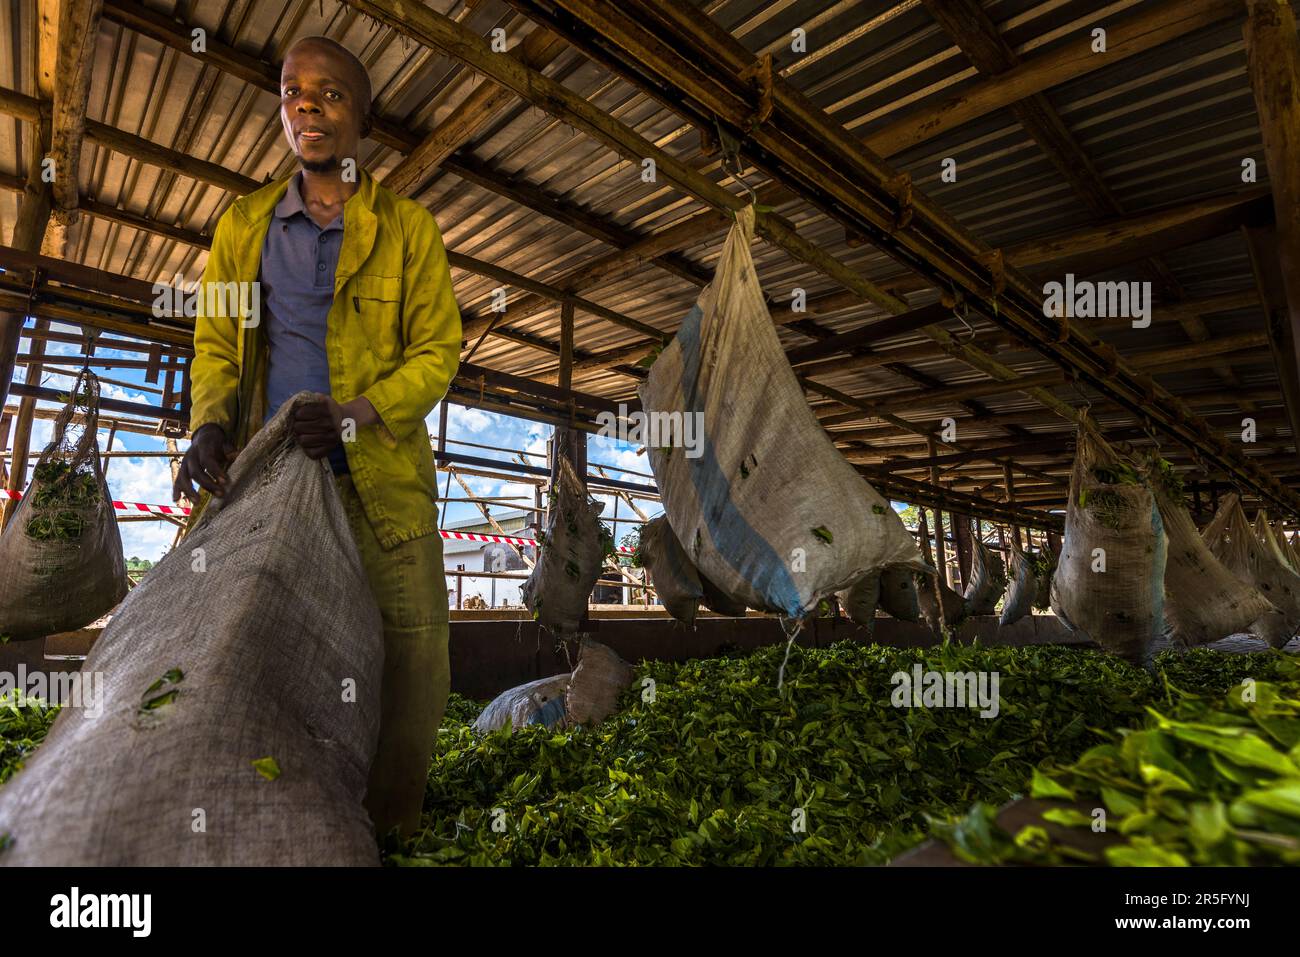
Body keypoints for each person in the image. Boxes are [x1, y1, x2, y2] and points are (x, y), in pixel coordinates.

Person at [172, 35, 461, 840]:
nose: (307, 104)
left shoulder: (407, 229)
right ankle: (266, 819)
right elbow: (219, 344)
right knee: (240, 646)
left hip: (381, 484)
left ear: (361, 118)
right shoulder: (244, 225)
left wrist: (354, 412)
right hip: (268, 485)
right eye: (293, 90)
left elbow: (439, 352)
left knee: (415, 657)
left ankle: (389, 826)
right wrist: (209, 423)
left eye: (330, 93)